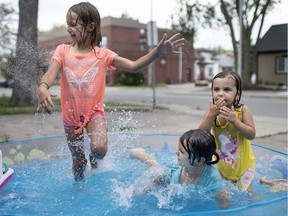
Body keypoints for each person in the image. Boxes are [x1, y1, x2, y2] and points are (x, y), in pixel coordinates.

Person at [37, 2, 185, 181]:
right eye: (68, 24)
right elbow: (51, 73)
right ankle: (79, 190)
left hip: (94, 113)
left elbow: (134, 66)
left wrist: (157, 52)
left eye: (74, 24)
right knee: (78, 161)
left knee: (99, 150)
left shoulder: (103, 55)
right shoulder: (63, 50)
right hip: (70, 116)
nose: (69, 28)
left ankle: (93, 156)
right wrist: (43, 86)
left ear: (91, 26)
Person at [130, 129, 231, 209]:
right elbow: (155, 182)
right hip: (171, 175)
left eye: (182, 152)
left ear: (199, 161)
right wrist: (140, 191)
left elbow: (225, 202)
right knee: (155, 168)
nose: (176, 152)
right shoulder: (174, 167)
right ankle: (139, 153)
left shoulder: (212, 178)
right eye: (178, 149)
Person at [198, 71, 256, 191]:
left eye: (226, 90)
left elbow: (251, 135)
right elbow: (201, 135)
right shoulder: (212, 112)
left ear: (237, 93)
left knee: (248, 196)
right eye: (216, 89)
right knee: (223, 195)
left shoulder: (243, 111)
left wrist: (236, 122)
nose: (220, 94)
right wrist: (210, 117)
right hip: (222, 166)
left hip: (244, 167)